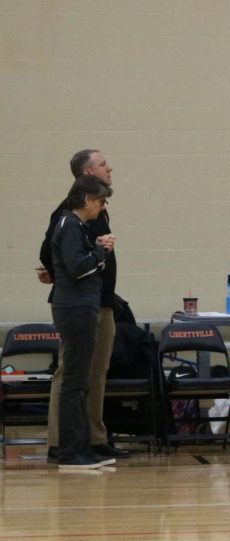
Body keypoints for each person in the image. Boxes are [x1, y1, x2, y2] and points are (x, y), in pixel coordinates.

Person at [38, 149, 129, 461]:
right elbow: (49, 249)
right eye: (104, 164)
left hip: (99, 300)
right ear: (88, 175)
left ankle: (92, 438)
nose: (110, 167)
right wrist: (58, 272)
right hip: (77, 303)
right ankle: (62, 441)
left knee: (96, 372)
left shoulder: (98, 210)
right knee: (71, 373)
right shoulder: (68, 213)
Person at [50, 175, 117, 469]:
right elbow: (77, 268)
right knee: (74, 383)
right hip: (75, 307)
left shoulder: (77, 227)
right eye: (101, 201)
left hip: (81, 306)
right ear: (88, 200)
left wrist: (96, 249)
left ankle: (80, 448)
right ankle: (70, 451)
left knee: (80, 382)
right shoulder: (69, 225)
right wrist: (101, 252)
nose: (102, 207)